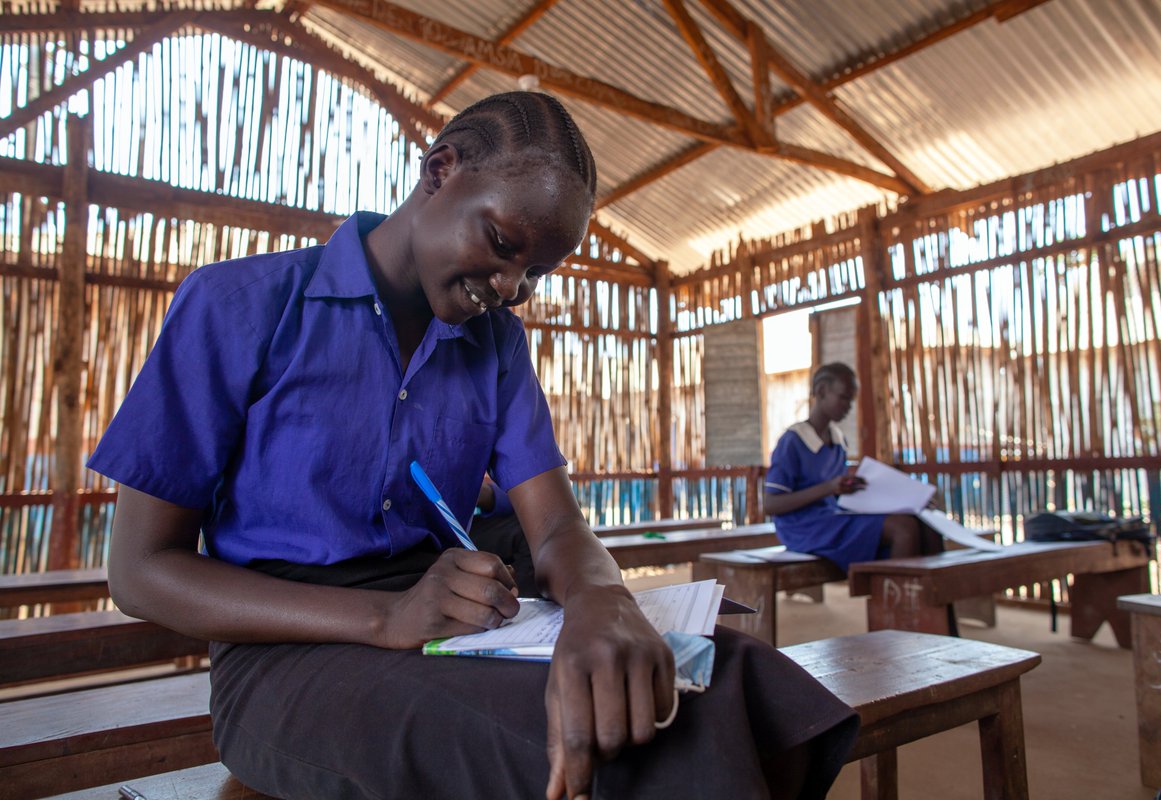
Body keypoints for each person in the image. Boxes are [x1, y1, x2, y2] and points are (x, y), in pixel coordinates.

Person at [88, 91, 857, 800]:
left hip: (460, 619)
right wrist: (384, 621)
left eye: (536, 273)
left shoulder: (496, 345)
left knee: (735, 681)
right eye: (501, 241)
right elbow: (141, 572)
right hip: (283, 657)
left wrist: (602, 600)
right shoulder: (239, 306)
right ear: (441, 169)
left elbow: (555, 526)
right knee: (616, 740)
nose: (512, 286)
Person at [763, 362, 942, 572]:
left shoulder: (838, 442)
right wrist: (829, 488)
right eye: (844, 397)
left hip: (832, 520)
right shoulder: (793, 441)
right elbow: (770, 505)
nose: (848, 406)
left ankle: (931, 602)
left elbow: (841, 496)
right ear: (821, 391)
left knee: (926, 525)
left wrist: (907, 500)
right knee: (903, 530)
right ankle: (892, 602)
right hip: (803, 528)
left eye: (851, 400)